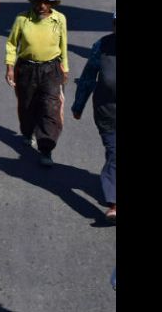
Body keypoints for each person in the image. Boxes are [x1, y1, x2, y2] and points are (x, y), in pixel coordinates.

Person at [5, 0, 69, 166]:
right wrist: (9, 66)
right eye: (39, 1)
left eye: (46, 1)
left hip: (52, 68)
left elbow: (64, 44)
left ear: (52, 3)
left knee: (50, 107)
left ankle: (46, 148)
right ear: (33, 1)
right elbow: (11, 44)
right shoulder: (22, 19)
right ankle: (27, 131)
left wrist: (65, 67)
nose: (42, 5)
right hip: (26, 68)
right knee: (27, 104)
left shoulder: (60, 19)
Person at [72, 12, 116, 222]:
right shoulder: (102, 46)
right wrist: (78, 104)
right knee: (115, 151)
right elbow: (89, 76)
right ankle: (114, 203)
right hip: (107, 112)